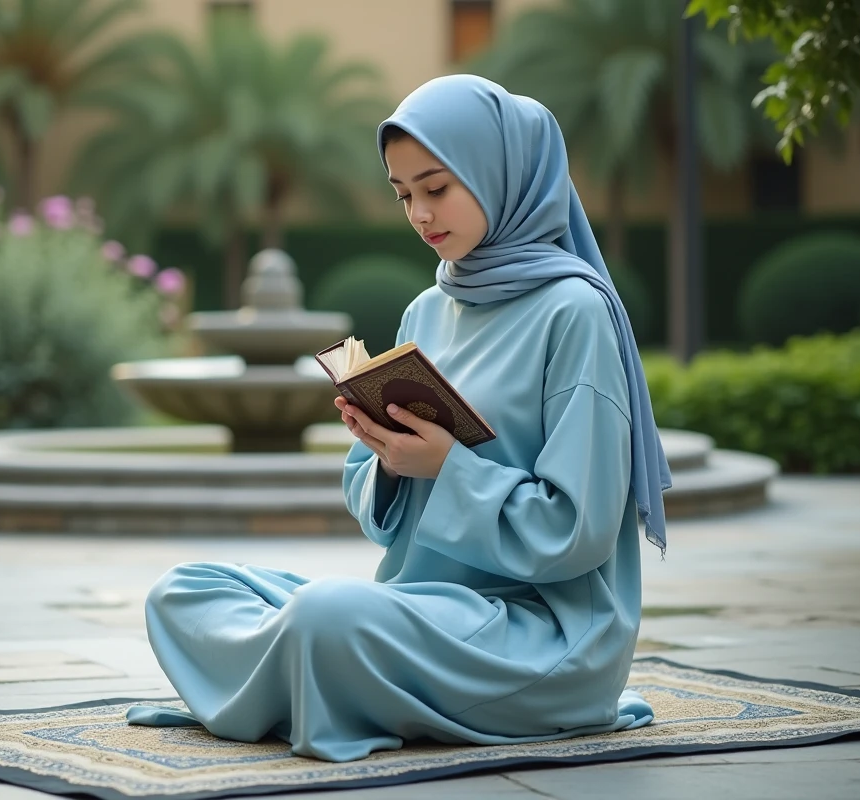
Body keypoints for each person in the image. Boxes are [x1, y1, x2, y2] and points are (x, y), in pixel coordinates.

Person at [126, 74, 672, 763]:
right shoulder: (427, 309)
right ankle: (318, 674)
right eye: (403, 193)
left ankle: (304, 676)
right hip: (422, 610)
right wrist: (385, 459)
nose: (419, 213)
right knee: (185, 591)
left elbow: (578, 531)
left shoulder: (574, 312)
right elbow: (376, 509)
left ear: (498, 171)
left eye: (436, 187)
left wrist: (446, 467)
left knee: (326, 616)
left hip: (541, 638)